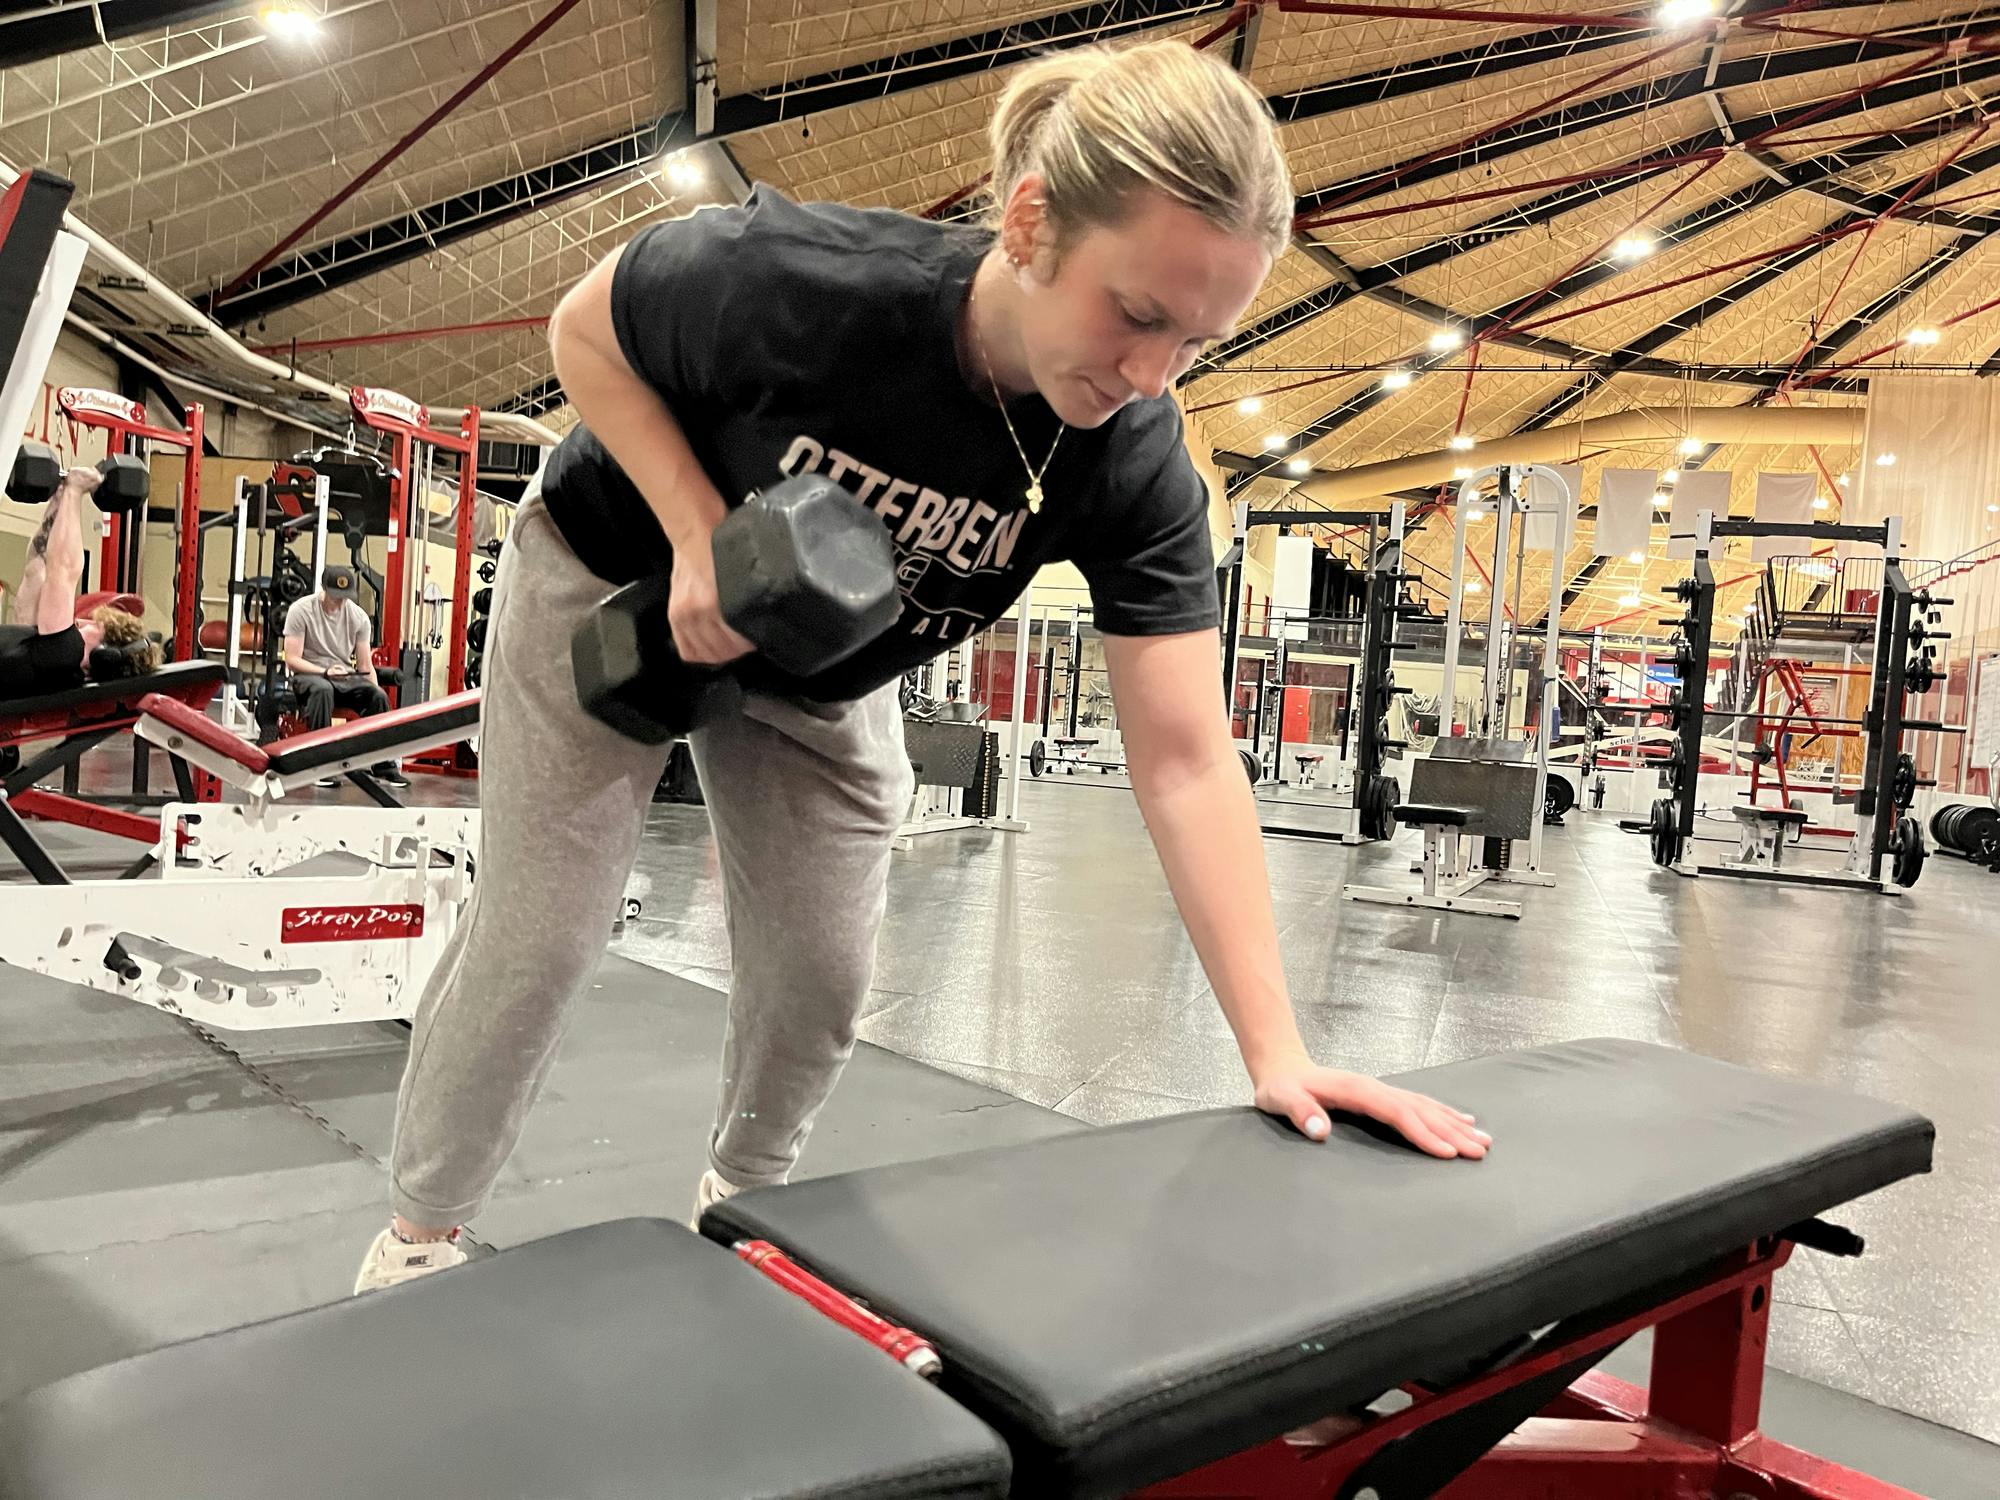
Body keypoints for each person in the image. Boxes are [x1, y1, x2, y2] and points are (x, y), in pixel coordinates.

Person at [354, 40, 1490, 1293]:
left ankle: (746, 1205)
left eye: (1194, 342)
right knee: (545, 932)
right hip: (612, 579)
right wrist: (694, 535)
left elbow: (1181, 759)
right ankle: (419, 1236)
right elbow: (586, 330)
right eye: (1136, 313)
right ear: (1031, 223)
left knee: (822, 978)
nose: (1147, 375)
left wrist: (1274, 1049)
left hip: (826, 663)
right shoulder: (799, 281)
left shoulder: (1134, 461)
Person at [1, 464, 158, 700]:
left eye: (92, 626)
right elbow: (37, 567)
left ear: (105, 653)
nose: (80, 621)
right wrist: (59, 502)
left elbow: (63, 569)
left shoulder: (64, 655)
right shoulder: (44, 651)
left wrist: (75, 491)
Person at [280, 565, 409, 787]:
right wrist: (324, 671)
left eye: (345, 598)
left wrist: (377, 692)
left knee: (377, 696)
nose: (340, 603)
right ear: (323, 590)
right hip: (309, 675)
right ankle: (319, 767)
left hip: (344, 678)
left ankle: (384, 766)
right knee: (323, 689)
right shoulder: (300, 610)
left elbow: (365, 664)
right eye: (335, 597)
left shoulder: (359, 618)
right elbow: (292, 659)